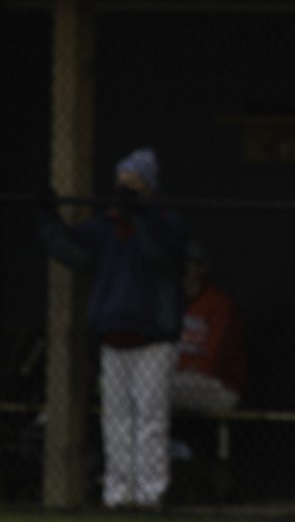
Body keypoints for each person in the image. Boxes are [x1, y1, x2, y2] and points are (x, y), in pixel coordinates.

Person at [39, 147, 187, 510]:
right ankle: (118, 494)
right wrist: (47, 216)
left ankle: (149, 495)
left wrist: (141, 215)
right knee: (116, 420)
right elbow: (71, 246)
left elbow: (167, 250)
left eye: (134, 182)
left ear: (149, 186)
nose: (126, 189)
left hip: (152, 337)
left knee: (150, 419)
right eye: (122, 182)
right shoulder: (108, 224)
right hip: (113, 335)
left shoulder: (164, 221)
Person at [171, 240, 245, 413]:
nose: (181, 273)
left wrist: (179, 364)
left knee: (155, 390)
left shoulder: (219, 305)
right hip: (179, 378)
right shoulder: (172, 303)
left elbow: (213, 362)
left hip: (219, 386)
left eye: (186, 267)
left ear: (201, 269)